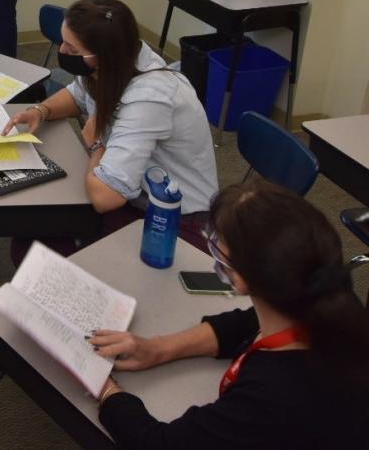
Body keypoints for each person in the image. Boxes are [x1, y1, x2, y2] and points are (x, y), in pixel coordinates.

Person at [92, 181, 369, 448]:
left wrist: (105, 388)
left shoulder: (271, 396)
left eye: (219, 251)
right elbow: (245, 324)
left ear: (242, 277)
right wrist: (158, 349)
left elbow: (154, 443)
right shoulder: (331, 300)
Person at [4, 0, 217, 257]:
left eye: (72, 48)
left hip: (174, 219)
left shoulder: (150, 97)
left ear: (103, 56)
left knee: (38, 254)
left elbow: (106, 198)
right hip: (134, 194)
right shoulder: (111, 64)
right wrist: (42, 110)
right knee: (27, 241)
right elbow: (76, 95)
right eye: (63, 42)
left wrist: (96, 144)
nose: (63, 52)